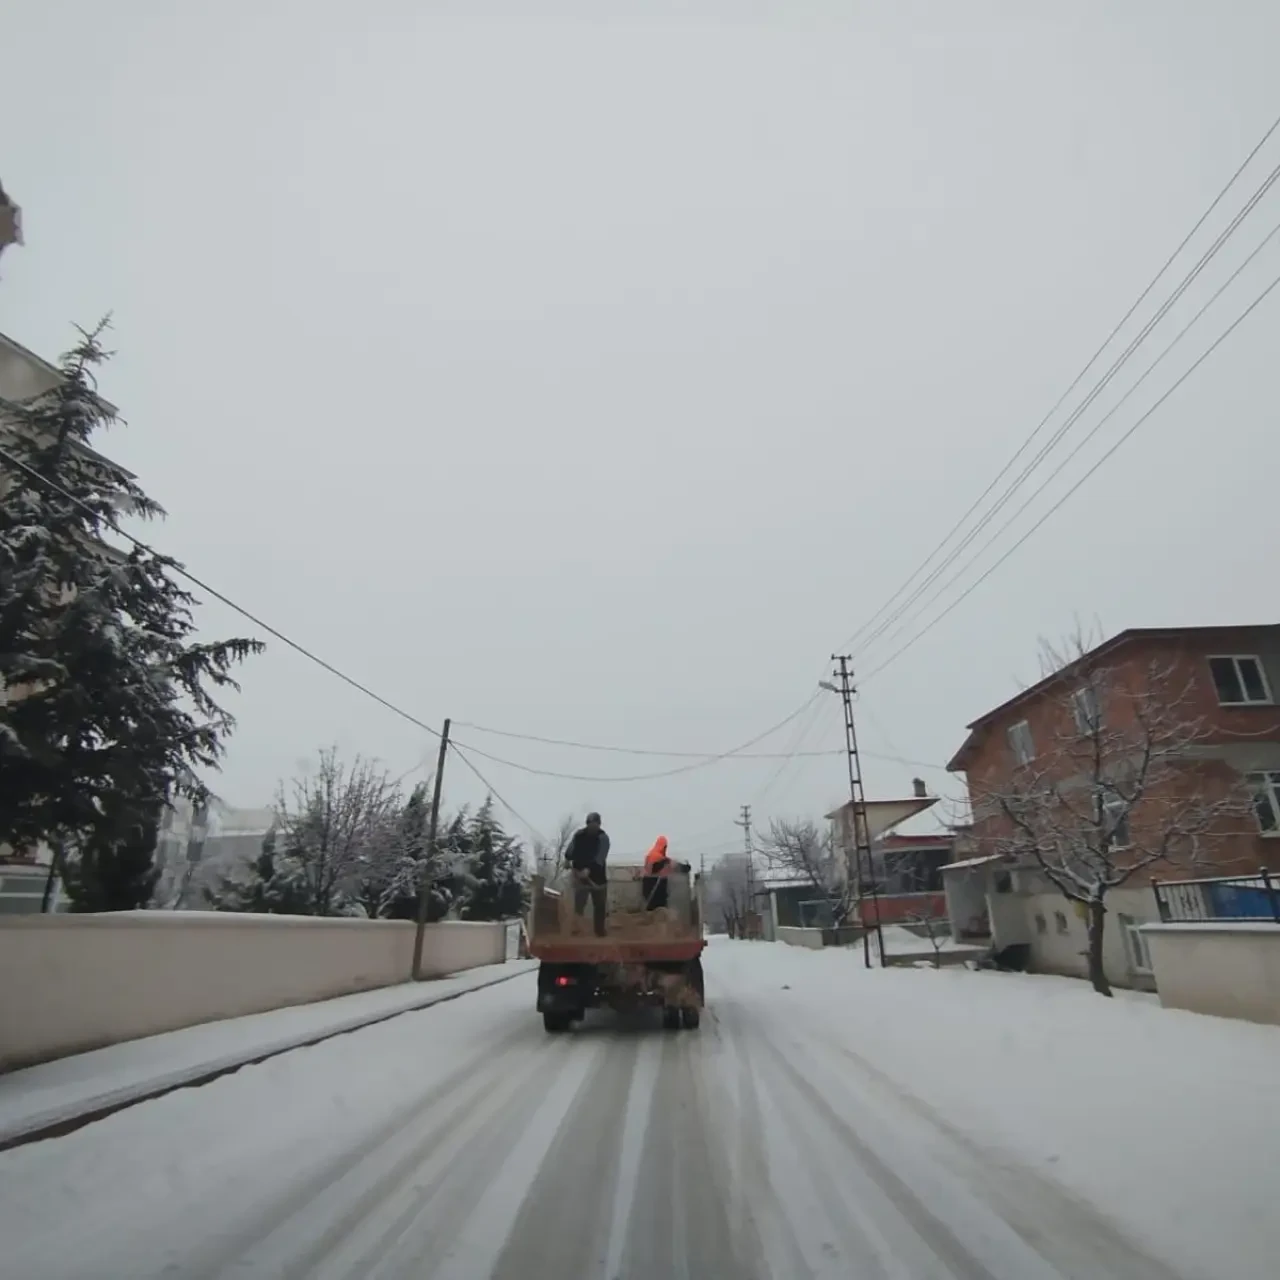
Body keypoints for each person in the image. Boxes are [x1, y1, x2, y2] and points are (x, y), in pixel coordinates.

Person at [564, 811, 610, 937]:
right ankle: (577, 930)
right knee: (579, 903)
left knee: (599, 905)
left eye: (595, 824)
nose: (593, 826)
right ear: (587, 824)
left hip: (598, 878)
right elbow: (570, 850)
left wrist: (589, 869)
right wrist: (567, 859)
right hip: (579, 876)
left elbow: (601, 857)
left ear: (599, 824)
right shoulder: (579, 835)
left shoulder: (603, 838)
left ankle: (599, 931)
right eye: (590, 824)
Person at [641, 835, 691, 911]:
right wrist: (685, 867)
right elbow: (656, 868)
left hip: (648, 886)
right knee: (658, 909)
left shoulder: (651, 855)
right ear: (663, 847)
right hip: (656, 887)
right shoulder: (659, 858)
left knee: (651, 909)